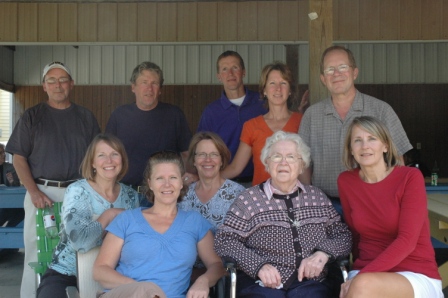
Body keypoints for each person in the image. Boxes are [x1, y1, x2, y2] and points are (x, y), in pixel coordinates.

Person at [215, 131, 352, 297]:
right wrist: (258, 266)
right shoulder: (248, 199)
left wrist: (323, 254)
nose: (283, 162)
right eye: (277, 157)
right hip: (261, 285)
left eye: (291, 157)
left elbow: (342, 234)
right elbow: (225, 239)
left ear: (302, 165)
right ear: (267, 162)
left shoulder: (317, 197)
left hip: (311, 284)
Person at [5, 61, 100, 297]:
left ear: (72, 84)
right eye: (51, 80)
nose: (58, 85)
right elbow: (19, 158)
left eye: (62, 80)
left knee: (83, 250)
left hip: (79, 193)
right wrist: (34, 192)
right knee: (38, 253)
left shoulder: (85, 117)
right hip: (41, 192)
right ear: (44, 86)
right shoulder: (32, 116)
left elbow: (97, 158)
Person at [93, 151, 225, 298]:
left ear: (181, 182)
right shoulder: (127, 220)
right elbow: (100, 270)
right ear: (150, 183)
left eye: (173, 178)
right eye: (160, 178)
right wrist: (140, 290)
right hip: (125, 294)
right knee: (146, 290)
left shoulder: (194, 222)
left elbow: (217, 265)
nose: (167, 184)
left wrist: (204, 280)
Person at [298, 45, 412, 215]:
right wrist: (309, 200)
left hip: (373, 204)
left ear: (355, 72)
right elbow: (303, 163)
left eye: (343, 67)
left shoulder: (381, 110)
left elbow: (397, 161)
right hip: (324, 206)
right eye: (330, 69)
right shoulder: (311, 115)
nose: (336, 74)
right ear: (323, 78)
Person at [337, 116, 443, 298]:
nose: (365, 146)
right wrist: (356, 273)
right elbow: (354, 235)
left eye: (372, 138)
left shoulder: (410, 177)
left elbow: (408, 240)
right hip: (367, 270)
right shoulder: (346, 181)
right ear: (351, 149)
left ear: (385, 146)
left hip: (414, 271)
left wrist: (360, 278)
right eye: (357, 140)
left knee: (362, 287)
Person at [36, 134, 139, 298]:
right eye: (101, 155)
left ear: (122, 159)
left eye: (114, 154)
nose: (109, 160)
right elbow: (81, 242)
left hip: (114, 274)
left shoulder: (131, 196)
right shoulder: (78, 191)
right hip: (68, 272)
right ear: (92, 162)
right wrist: (110, 214)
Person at [106, 62, 194, 205]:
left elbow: (186, 154)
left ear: (160, 89)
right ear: (133, 87)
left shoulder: (174, 115)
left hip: (164, 194)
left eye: (154, 83)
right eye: (144, 82)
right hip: (126, 194)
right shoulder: (119, 116)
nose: (149, 88)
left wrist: (188, 178)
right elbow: (107, 156)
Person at [222, 61, 303, 186]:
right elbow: (235, 168)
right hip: (262, 200)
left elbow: (308, 167)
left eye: (283, 83)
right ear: (264, 90)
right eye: (272, 83)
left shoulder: (302, 121)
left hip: (294, 198)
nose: (278, 89)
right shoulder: (251, 126)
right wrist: (206, 178)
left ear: (290, 90)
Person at [197, 51, 267, 186]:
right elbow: (200, 150)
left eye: (235, 67)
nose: (230, 73)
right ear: (219, 76)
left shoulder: (262, 104)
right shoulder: (211, 112)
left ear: (243, 72)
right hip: (224, 182)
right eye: (224, 69)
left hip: (261, 182)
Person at [178, 132, 245, 233]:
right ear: (194, 160)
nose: (208, 160)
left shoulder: (239, 194)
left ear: (221, 160)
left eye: (214, 154)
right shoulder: (183, 194)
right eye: (202, 154)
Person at [0, 144, 23, 228]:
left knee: (21, 210)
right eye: (0, 153)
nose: (3, 155)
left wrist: (12, 181)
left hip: (7, 202)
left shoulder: (11, 168)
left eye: (4, 152)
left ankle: (8, 229)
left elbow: (16, 187)